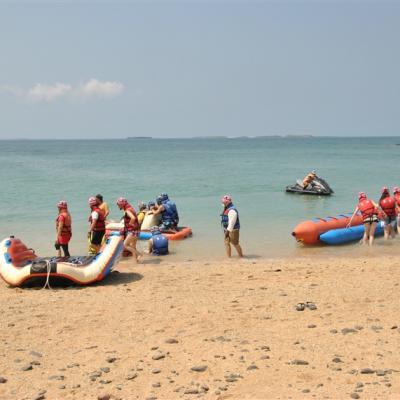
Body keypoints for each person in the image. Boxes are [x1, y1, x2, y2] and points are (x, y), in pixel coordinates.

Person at [117, 197, 142, 262]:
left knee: (125, 245)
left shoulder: (127, 210)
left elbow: (133, 218)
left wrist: (130, 224)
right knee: (133, 246)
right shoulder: (131, 208)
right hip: (137, 230)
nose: (118, 206)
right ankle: (136, 261)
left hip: (133, 231)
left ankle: (139, 254)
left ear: (122, 204)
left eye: (118, 204)